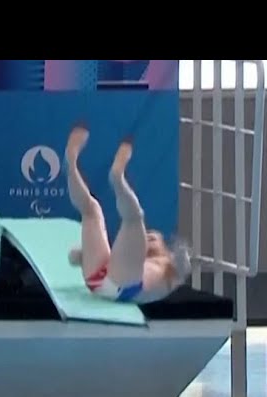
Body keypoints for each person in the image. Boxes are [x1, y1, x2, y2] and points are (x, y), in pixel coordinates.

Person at [65, 124, 191, 304]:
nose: (149, 236)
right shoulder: (133, 259)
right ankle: (71, 165)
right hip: (98, 279)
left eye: (153, 237)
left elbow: (182, 268)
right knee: (91, 210)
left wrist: (181, 255)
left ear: (164, 246)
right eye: (148, 236)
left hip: (124, 287)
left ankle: (118, 178)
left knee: (134, 218)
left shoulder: (167, 266)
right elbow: (76, 257)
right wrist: (81, 255)